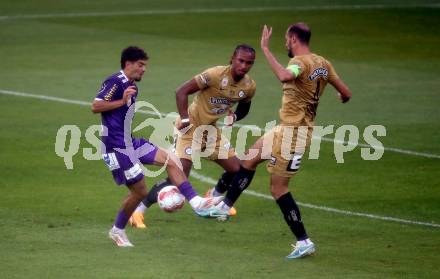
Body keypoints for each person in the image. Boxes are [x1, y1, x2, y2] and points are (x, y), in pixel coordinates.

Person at [213, 23, 352, 259]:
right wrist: (339, 96)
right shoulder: (323, 63)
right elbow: (346, 94)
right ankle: (223, 208)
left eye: (287, 39)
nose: (285, 43)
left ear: (294, 39)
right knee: (250, 157)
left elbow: (285, 75)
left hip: (294, 135)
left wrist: (265, 49)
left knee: (278, 189)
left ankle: (304, 241)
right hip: (284, 129)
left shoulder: (298, 63)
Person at [92, 46, 221, 246]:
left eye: (145, 66)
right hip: (117, 148)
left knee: (172, 160)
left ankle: (197, 203)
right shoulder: (115, 82)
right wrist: (121, 101)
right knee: (140, 192)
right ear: (128, 64)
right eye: (140, 65)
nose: (144, 69)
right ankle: (117, 230)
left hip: (129, 142)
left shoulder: (132, 86)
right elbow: (96, 105)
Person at [129, 44, 257, 227]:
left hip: (211, 131)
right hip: (189, 130)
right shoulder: (214, 75)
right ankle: (138, 211)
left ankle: (213, 196)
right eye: (241, 60)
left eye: (249, 63)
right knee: (179, 177)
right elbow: (181, 91)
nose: (244, 66)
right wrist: (185, 119)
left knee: (238, 169)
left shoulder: (249, 86)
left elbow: (245, 105)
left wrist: (235, 116)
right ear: (232, 58)